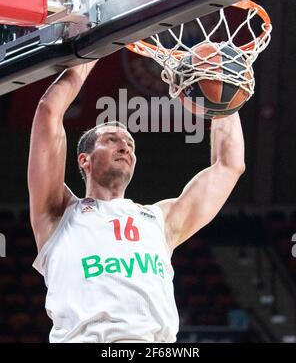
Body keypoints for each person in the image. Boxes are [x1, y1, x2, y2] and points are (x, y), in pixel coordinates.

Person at [28, 60, 245, 343]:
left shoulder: (160, 220)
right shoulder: (57, 212)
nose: (124, 147)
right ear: (84, 160)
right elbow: (48, 112)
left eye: (129, 144)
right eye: (111, 140)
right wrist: (90, 52)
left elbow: (229, 166)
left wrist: (223, 101)